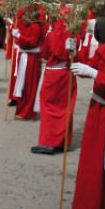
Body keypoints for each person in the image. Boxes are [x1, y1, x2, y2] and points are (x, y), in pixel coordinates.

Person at [71, 13, 105, 209]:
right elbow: (87, 67)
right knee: (93, 163)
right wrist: (73, 53)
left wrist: (96, 75)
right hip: (98, 111)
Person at [31, 17, 78, 154]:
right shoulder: (74, 36)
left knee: (49, 107)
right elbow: (77, 55)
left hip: (53, 74)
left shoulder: (51, 35)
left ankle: (48, 142)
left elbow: (45, 53)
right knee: (66, 107)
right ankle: (64, 141)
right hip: (68, 73)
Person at [12, 5, 44, 120]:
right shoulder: (28, 25)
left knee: (30, 86)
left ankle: (28, 112)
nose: (23, 17)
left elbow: (32, 42)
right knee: (24, 85)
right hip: (25, 57)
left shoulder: (35, 27)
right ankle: (22, 109)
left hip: (32, 59)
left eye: (25, 15)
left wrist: (19, 36)